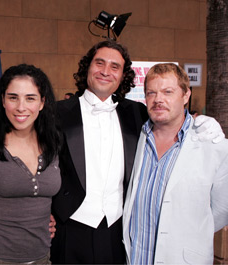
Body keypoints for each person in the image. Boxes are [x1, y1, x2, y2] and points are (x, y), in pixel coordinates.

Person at [50, 40, 226, 264]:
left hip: (118, 232)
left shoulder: (136, 113)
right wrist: (42, 212)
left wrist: (203, 121)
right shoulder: (56, 113)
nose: (106, 71)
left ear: (123, 75)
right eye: (100, 63)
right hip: (70, 231)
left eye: (115, 67)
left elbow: (174, 118)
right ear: (88, 67)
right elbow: (38, 165)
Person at [123, 63, 228, 264]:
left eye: (167, 92)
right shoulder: (137, 138)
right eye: (151, 93)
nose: (158, 99)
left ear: (186, 95)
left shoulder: (213, 145)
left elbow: (220, 211)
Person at [0, 64, 62, 264]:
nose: (21, 107)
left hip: (42, 256)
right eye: (13, 97)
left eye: (30, 98)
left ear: (42, 102)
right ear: (2, 100)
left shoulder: (52, 140)